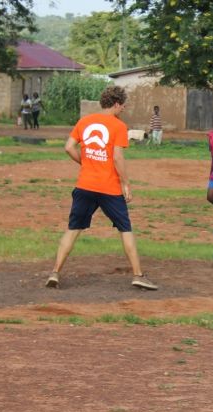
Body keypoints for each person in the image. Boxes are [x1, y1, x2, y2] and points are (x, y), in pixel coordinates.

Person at [45, 86, 157, 291]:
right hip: (109, 188)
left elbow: (68, 147)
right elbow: (117, 157)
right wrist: (126, 183)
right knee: (125, 228)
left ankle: (55, 272)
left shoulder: (85, 121)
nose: (123, 109)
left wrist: (86, 164)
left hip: (85, 185)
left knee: (73, 229)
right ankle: (138, 275)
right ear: (116, 103)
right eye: (122, 105)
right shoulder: (118, 126)